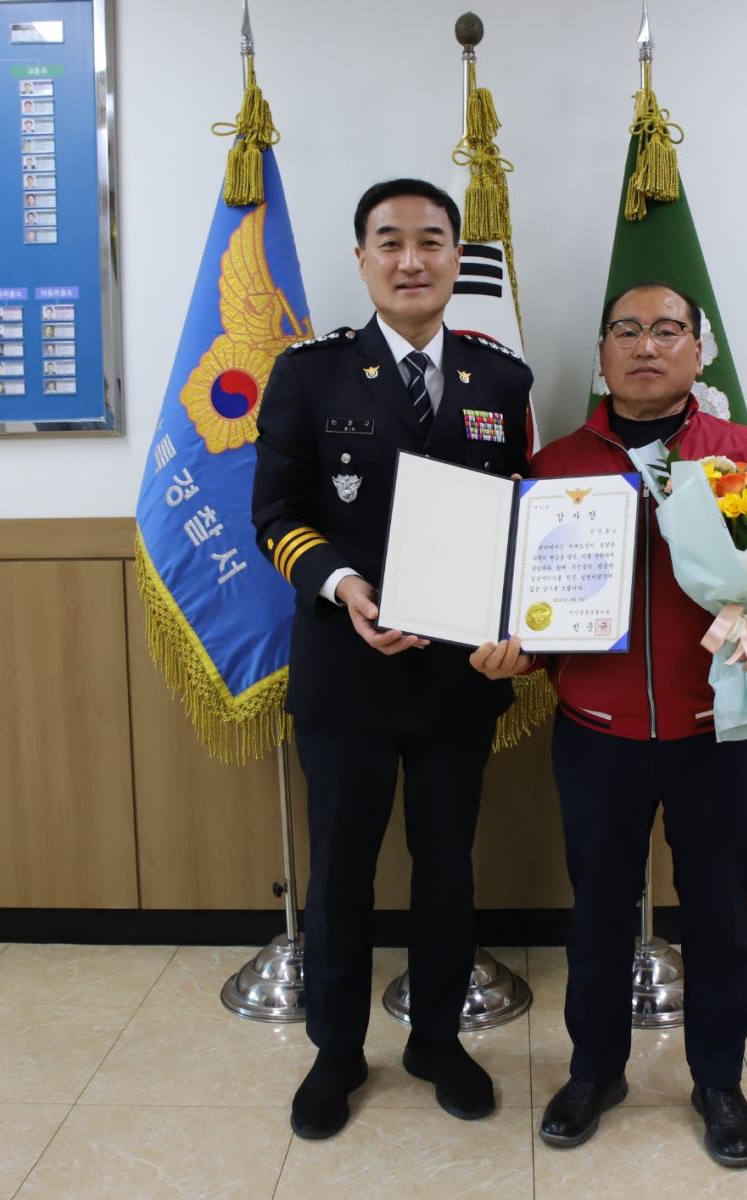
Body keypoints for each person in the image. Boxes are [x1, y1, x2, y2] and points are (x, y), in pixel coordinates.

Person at [470, 281, 747, 1170]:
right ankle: (596, 1071)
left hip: (715, 734)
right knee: (597, 917)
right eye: (626, 330)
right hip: (595, 736)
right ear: (602, 355)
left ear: (699, 351)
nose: (645, 345)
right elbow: (537, 609)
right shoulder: (557, 466)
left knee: (722, 918)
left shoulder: (742, 452)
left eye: (667, 329)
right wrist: (517, 655)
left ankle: (719, 1079)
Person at [251, 178, 532, 1140]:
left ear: (459, 257)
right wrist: (342, 587)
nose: (411, 260)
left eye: (431, 241)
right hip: (346, 672)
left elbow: (522, 524)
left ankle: (435, 1039)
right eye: (389, 242)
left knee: (446, 866)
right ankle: (335, 1051)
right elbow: (277, 516)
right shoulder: (310, 373)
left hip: (460, 677)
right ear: (362, 258)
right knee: (340, 873)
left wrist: (518, 624)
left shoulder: (503, 380)